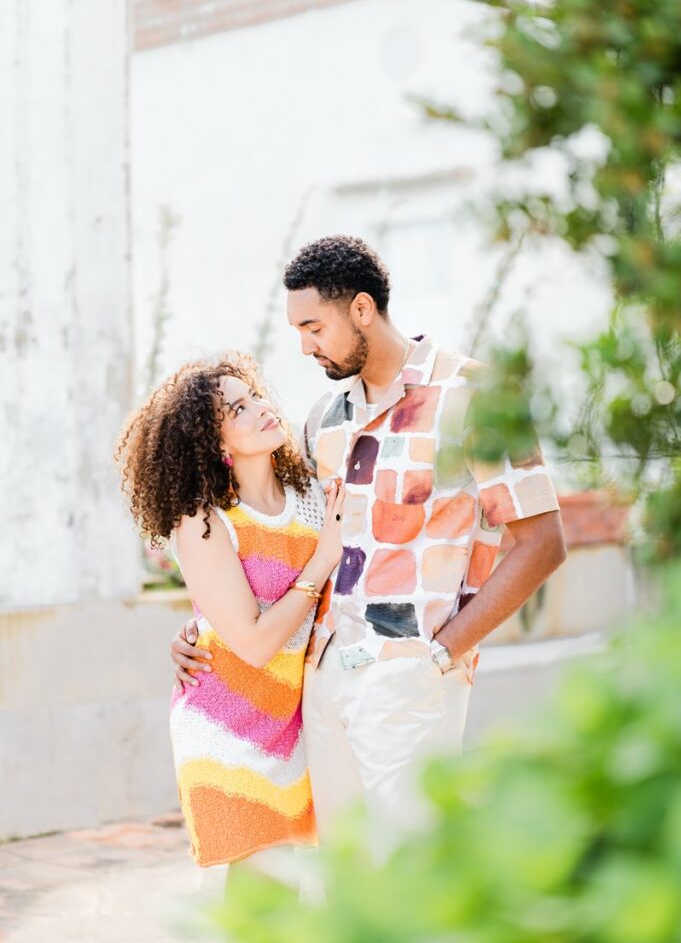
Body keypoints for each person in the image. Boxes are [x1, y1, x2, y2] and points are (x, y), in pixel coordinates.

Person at [172, 235, 566, 859]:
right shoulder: (323, 420)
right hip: (321, 680)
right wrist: (201, 629)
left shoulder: (477, 398)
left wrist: (443, 652)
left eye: (312, 327)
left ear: (361, 309)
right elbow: (275, 538)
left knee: (414, 870)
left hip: (413, 669)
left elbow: (542, 542)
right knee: (347, 880)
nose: (304, 346)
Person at [116, 353, 344, 882]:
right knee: (263, 888)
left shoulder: (313, 491)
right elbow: (256, 643)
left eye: (255, 396)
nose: (261, 408)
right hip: (226, 726)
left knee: (289, 887)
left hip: (295, 718)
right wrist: (323, 559)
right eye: (238, 409)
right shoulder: (203, 520)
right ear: (216, 443)